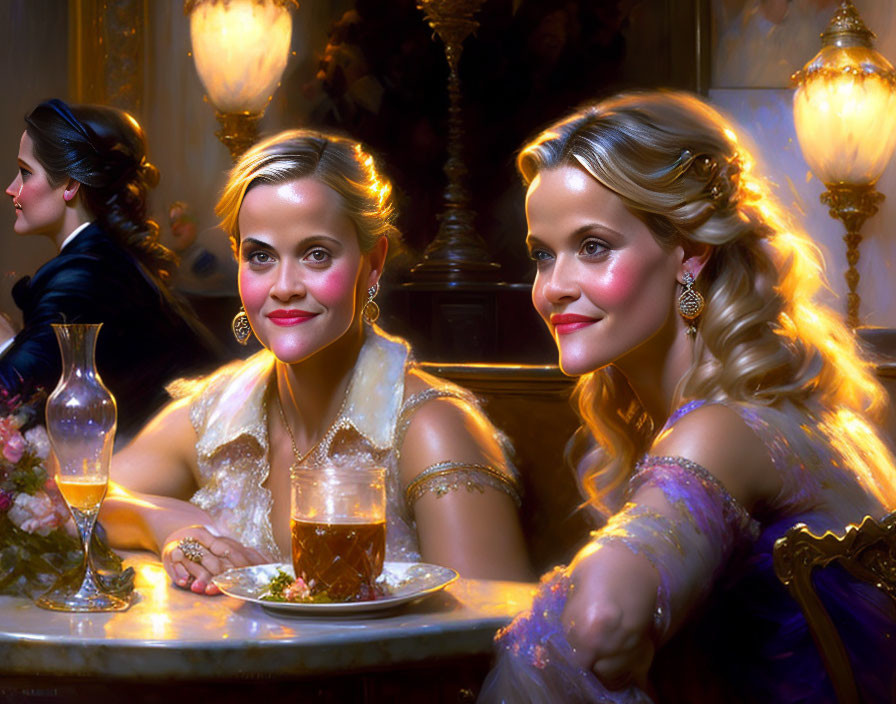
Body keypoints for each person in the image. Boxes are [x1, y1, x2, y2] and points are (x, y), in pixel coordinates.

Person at [478, 91, 896, 703]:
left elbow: (600, 622)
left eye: (593, 247)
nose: (554, 288)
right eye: (544, 255)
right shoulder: (784, 414)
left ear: (690, 256)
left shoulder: (720, 431)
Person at [102, 129, 531, 595]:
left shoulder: (434, 431)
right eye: (261, 256)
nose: (284, 285)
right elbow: (67, 500)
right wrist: (165, 524)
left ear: (373, 262)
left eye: (316, 254)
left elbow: (493, 638)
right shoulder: (220, 410)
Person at [1, 99, 220, 437]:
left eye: (26, 172)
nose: (11, 189)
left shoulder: (83, 276)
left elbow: (12, 396)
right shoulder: (103, 256)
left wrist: (4, 343)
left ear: (71, 185)